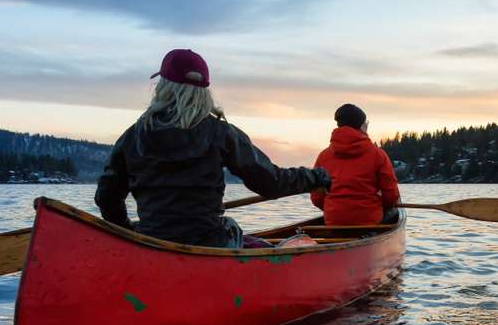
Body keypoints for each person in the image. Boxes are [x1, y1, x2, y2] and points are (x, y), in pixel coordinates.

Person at [95, 49, 331, 247]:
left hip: (153, 240)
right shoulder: (221, 133)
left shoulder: (133, 136)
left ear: (163, 87)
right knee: (233, 229)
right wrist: (315, 177)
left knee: (229, 230)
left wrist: (127, 232)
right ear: (203, 92)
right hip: (210, 241)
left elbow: (107, 197)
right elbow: (271, 182)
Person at [310, 103, 400, 226]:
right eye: (366, 123)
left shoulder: (323, 156)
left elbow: (316, 197)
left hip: (333, 221)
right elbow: (391, 195)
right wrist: (379, 206)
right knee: (395, 214)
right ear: (362, 126)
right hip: (369, 221)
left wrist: (334, 209)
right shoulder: (378, 155)